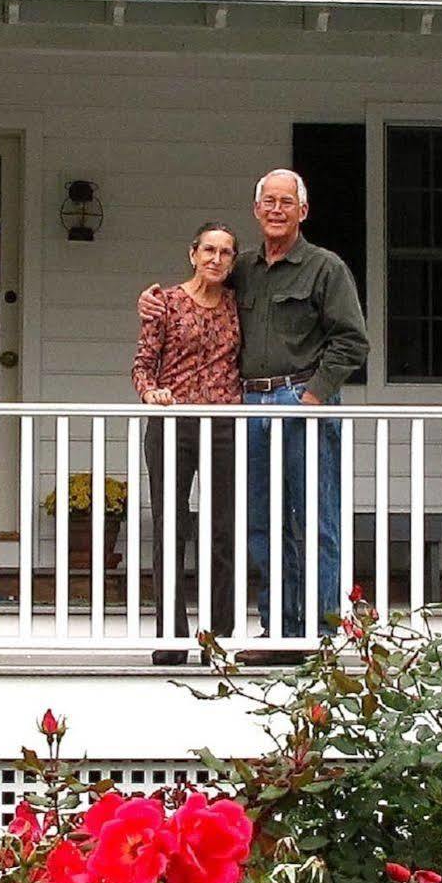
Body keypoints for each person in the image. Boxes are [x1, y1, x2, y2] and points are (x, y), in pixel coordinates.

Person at [235, 169, 368, 660]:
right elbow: (202, 300)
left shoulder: (324, 267)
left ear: (303, 211)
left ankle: (320, 634)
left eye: (286, 202)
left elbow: (352, 340)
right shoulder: (243, 268)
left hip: (301, 400)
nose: (276, 209)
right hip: (250, 403)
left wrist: (314, 395)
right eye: (268, 201)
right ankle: (279, 633)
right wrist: (157, 301)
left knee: (314, 520)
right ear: (256, 210)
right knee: (262, 523)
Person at [132, 223, 243, 666]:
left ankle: (216, 636)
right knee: (170, 525)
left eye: (226, 253)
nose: (216, 259)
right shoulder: (165, 302)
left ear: (234, 262)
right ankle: (172, 635)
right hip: (172, 421)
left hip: (223, 423)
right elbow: (142, 365)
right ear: (192, 253)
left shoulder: (239, 306)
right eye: (209, 250)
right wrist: (151, 393)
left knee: (222, 530)